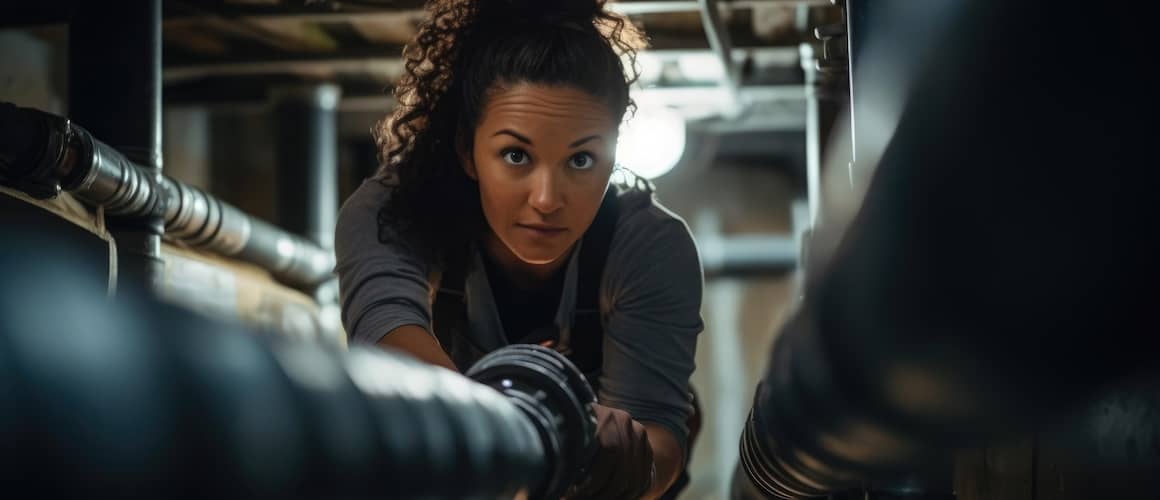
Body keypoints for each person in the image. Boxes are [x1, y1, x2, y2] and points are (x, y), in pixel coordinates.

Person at [335, 1, 704, 498]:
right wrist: (513, 428)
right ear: (468, 150)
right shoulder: (391, 212)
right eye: (516, 155)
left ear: (614, 149)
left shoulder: (650, 247)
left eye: (581, 159)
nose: (547, 199)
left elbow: (660, 434)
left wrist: (626, 466)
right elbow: (388, 345)